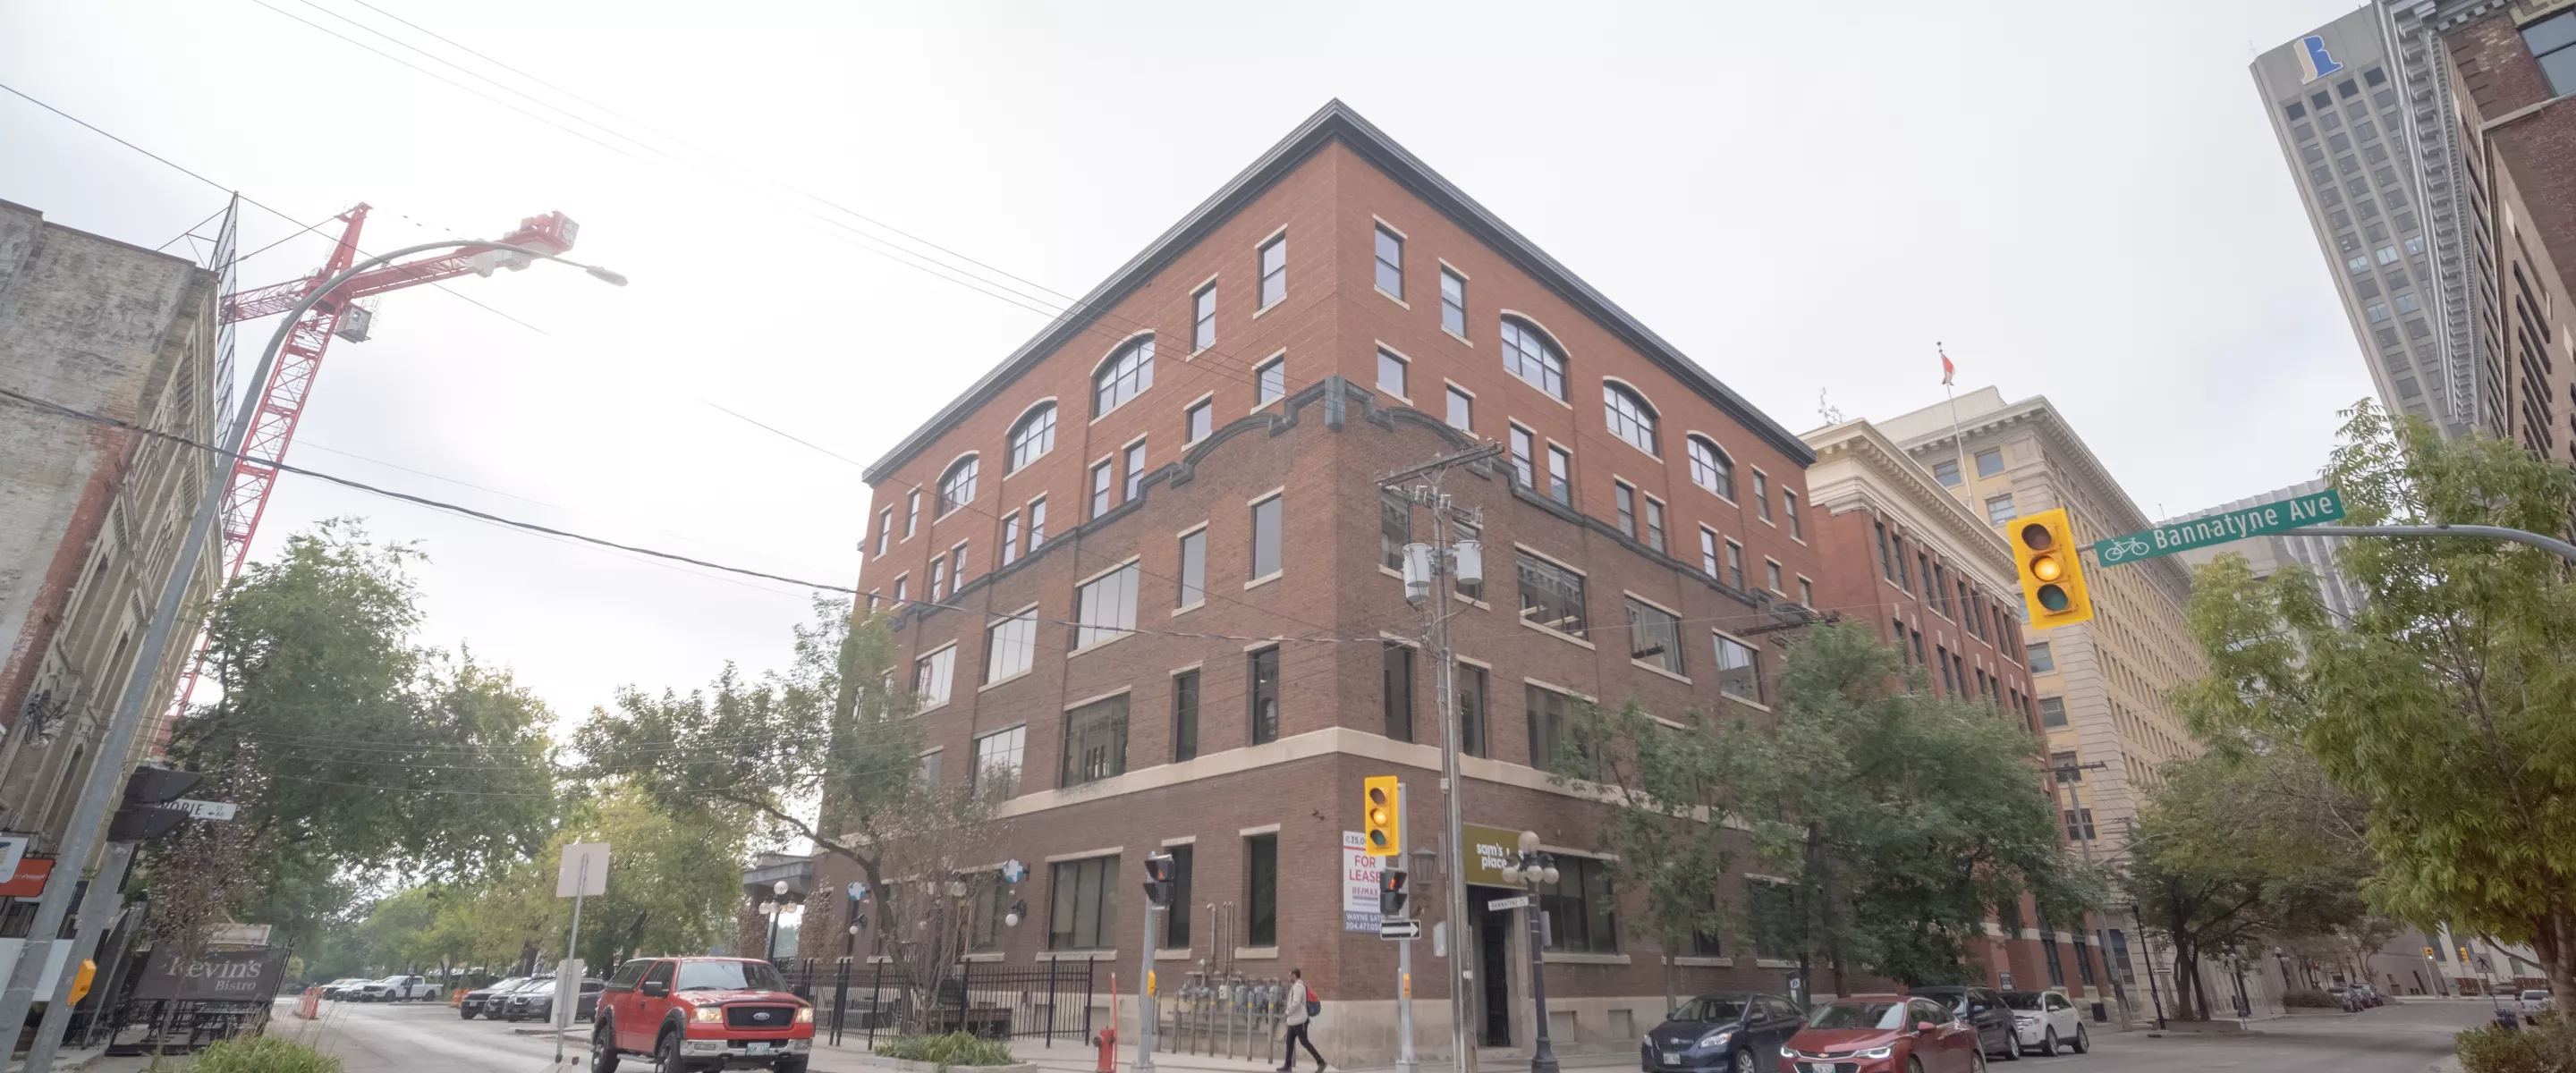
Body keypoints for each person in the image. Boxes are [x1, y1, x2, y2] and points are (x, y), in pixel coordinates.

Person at [1279, 967, 1326, 1072]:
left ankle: (1321, 1062)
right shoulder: (1296, 986)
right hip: (1293, 1021)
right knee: (1289, 1042)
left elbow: (1296, 1003)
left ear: (1294, 975)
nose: (1289, 977)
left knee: (1304, 1042)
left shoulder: (1299, 986)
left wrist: (1287, 1012)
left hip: (1299, 1020)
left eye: (1290, 975)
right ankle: (1287, 1066)